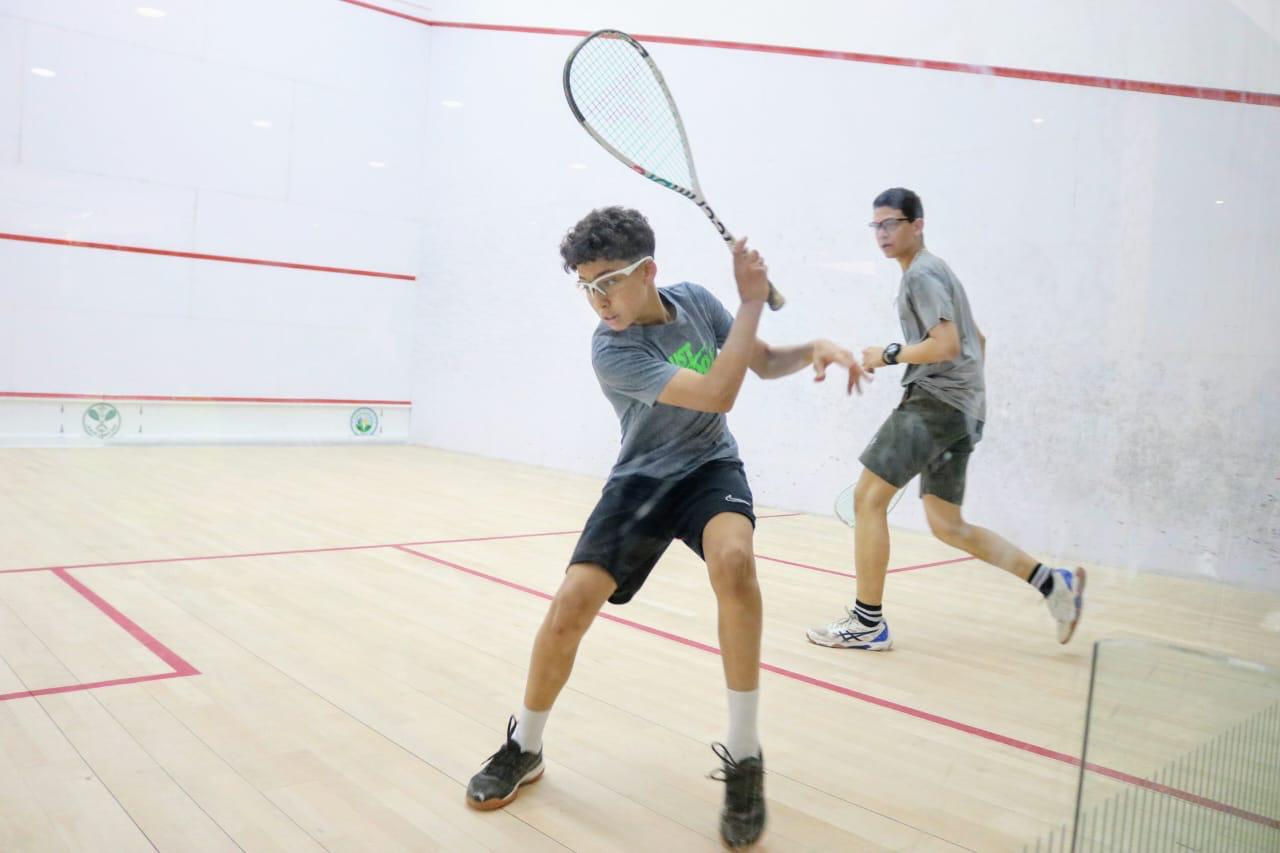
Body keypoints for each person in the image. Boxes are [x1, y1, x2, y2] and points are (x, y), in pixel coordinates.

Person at [466, 206, 864, 848]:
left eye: (608, 282)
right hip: (642, 480)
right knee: (571, 605)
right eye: (586, 287)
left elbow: (760, 362)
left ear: (648, 271)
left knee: (735, 564)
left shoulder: (697, 302)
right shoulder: (612, 349)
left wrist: (810, 347)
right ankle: (525, 746)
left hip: (709, 467)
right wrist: (753, 301)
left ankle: (745, 756)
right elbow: (717, 393)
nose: (598, 300)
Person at [806, 187, 1085, 652]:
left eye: (891, 223)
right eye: (876, 225)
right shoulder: (938, 273)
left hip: (934, 404)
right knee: (948, 525)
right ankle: (1053, 584)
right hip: (961, 410)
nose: (882, 233)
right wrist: (967, 402)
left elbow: (949, 344)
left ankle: (867, 622)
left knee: (867, 499)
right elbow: (978, 340)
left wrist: (888, 354)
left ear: (917, 225)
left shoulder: (921, 275)